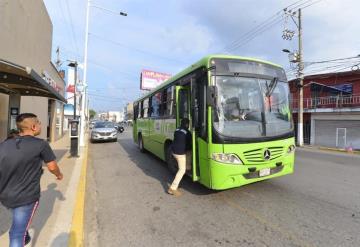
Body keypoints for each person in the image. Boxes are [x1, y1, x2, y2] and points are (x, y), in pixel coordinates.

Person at [0, 113, 63, 247]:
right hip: (26, 197)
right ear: (34, 127)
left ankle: (24, 231)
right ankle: (22, 234)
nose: (41, 125)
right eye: (39, 122)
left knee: (19, 222)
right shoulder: (41, 144)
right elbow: (52, 166)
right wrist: (59, 175)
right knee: (16, 235)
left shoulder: (4, 144)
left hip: (5, 196)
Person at [168, 118, 192, 197]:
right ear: (187, 125)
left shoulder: (177, 130)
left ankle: (188, 166)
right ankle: (173, 188)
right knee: (182, 170)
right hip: (179, 153)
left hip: (173, 151)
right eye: (188, 124)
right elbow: (189, 144)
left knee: (188, 152)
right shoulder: (188, 133)